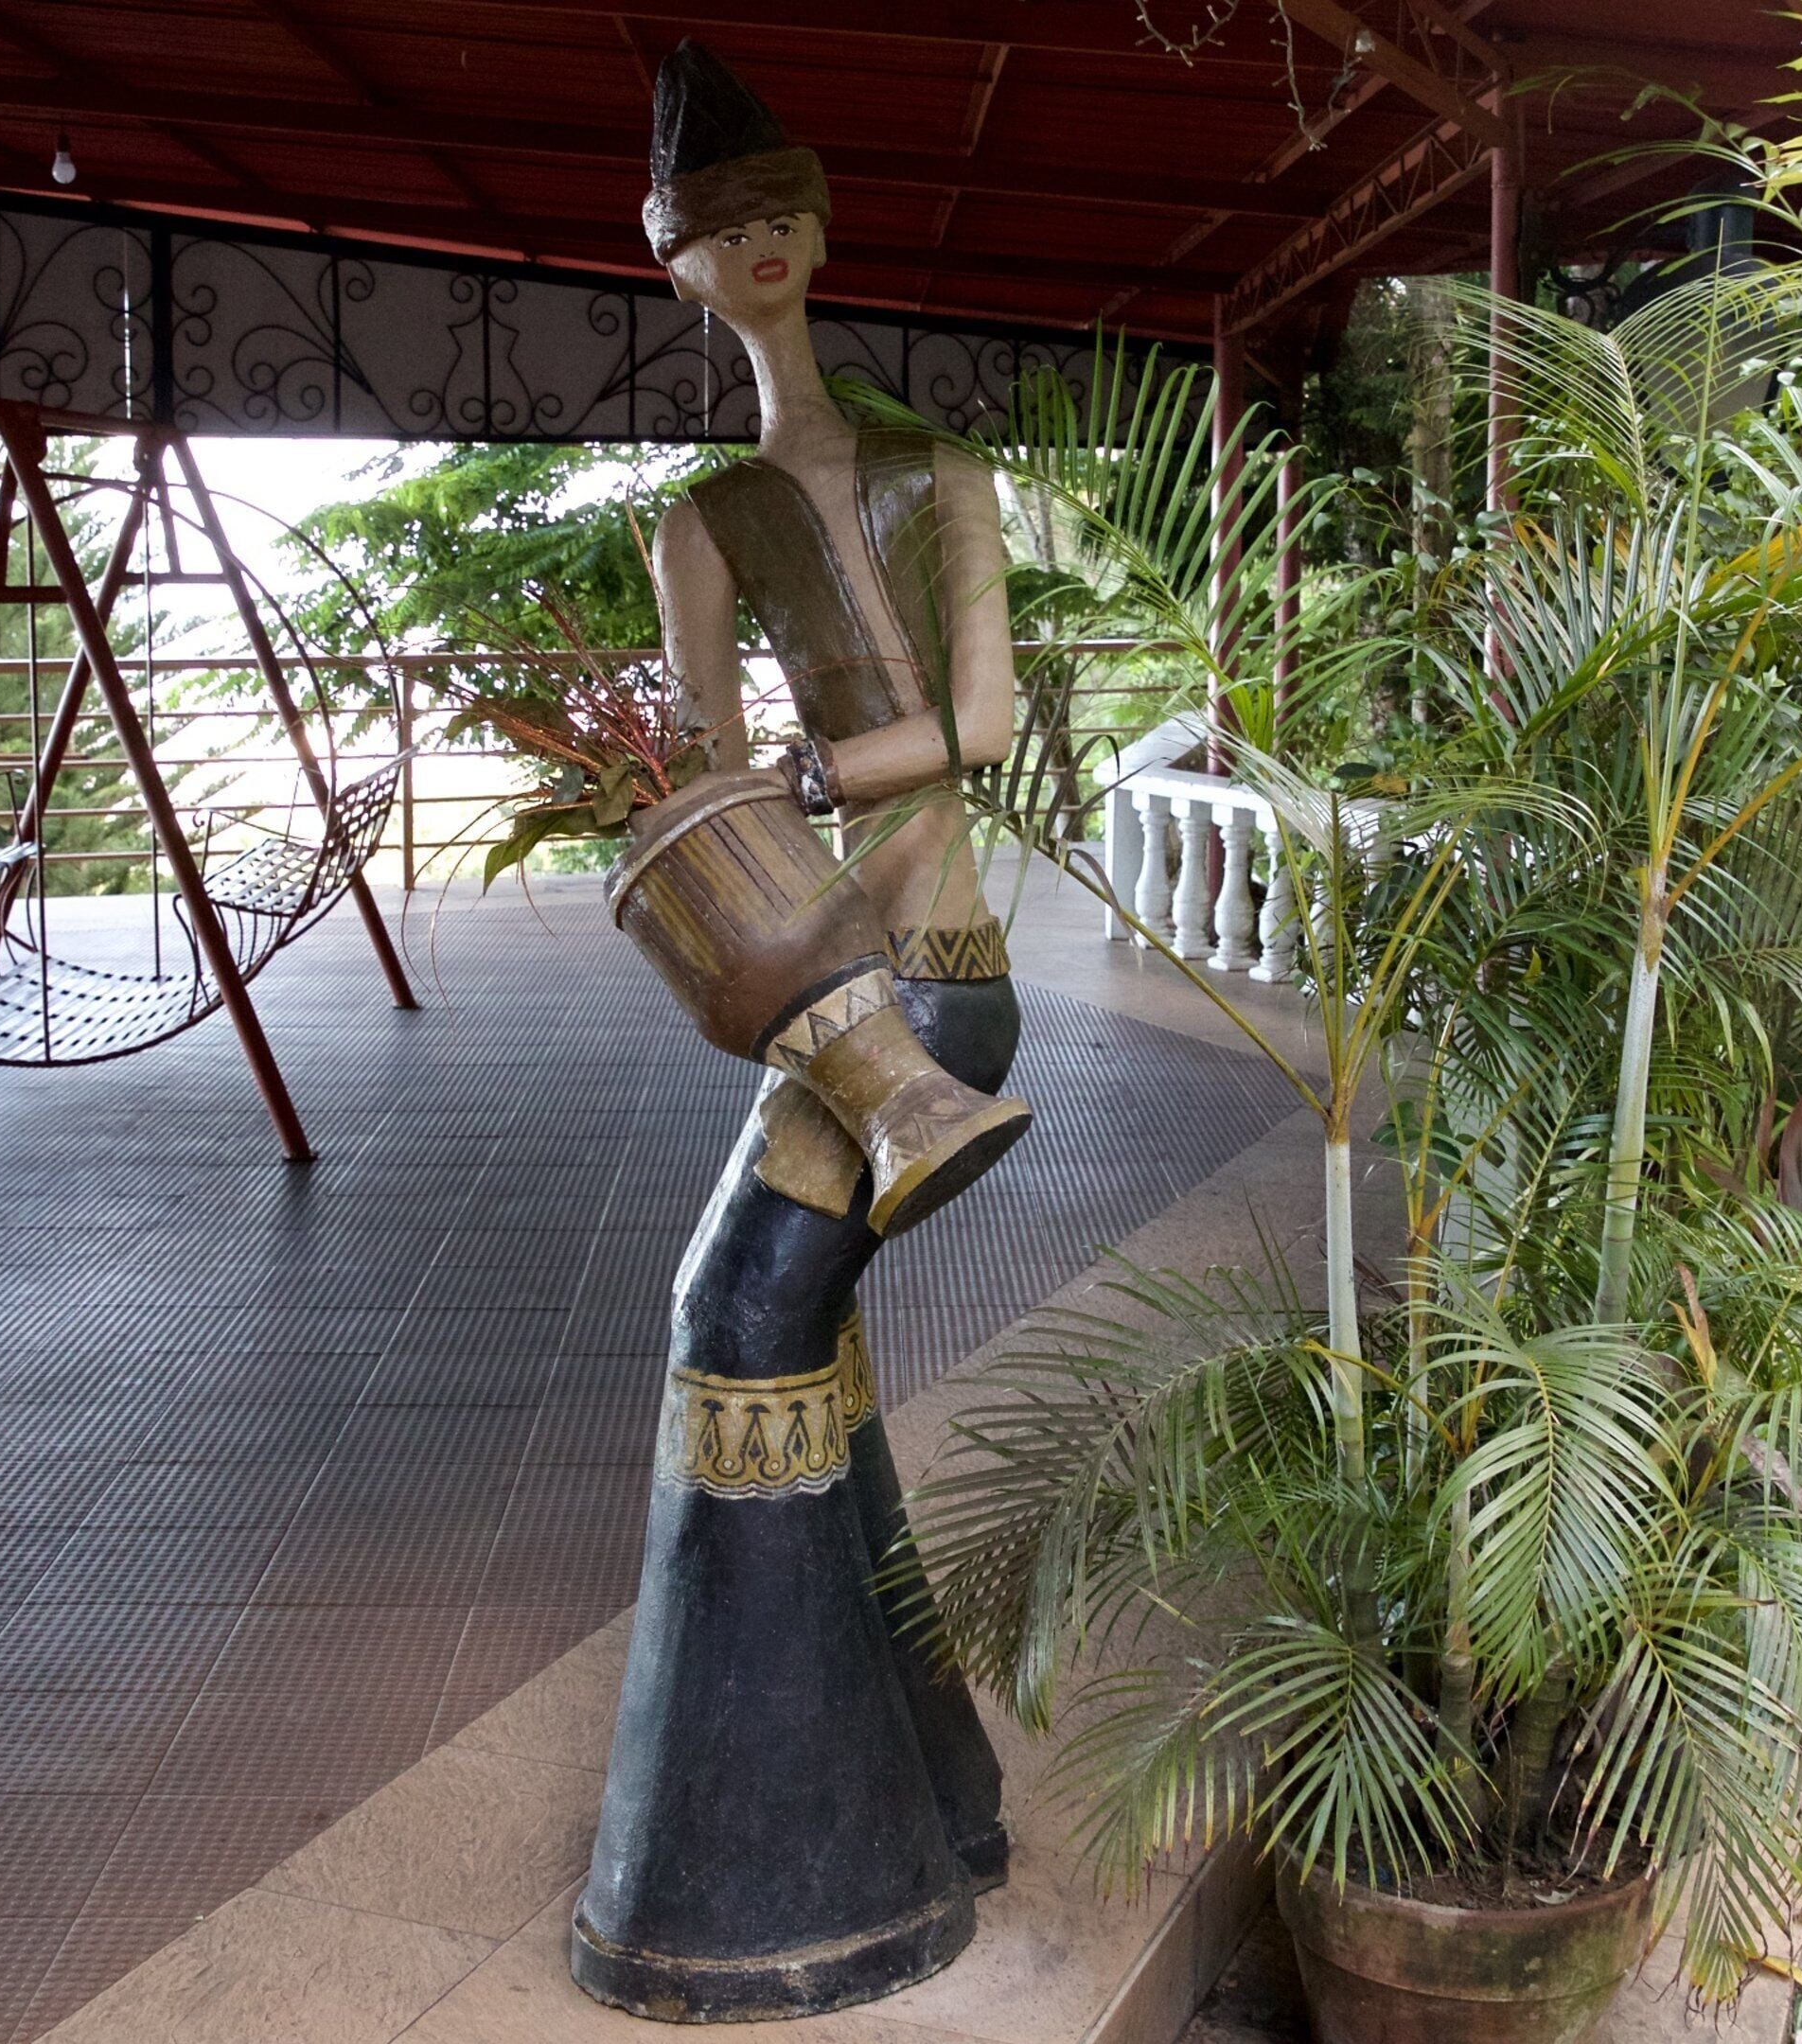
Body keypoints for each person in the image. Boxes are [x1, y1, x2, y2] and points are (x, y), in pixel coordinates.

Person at [569, 38, 1020, 2022]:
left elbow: (987, 728)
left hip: (935, 982)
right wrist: (688, 809)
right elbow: (706, 761)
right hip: (822, 979)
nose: (755, 249)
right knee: (790, 1329)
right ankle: (921, 1802)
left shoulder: (942, 472)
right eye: (713, 232)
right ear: (675, 266)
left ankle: (776, 1879)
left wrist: (833, 782)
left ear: (818, 239)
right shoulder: (707, 519)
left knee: (734, 1322)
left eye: (777, 219)